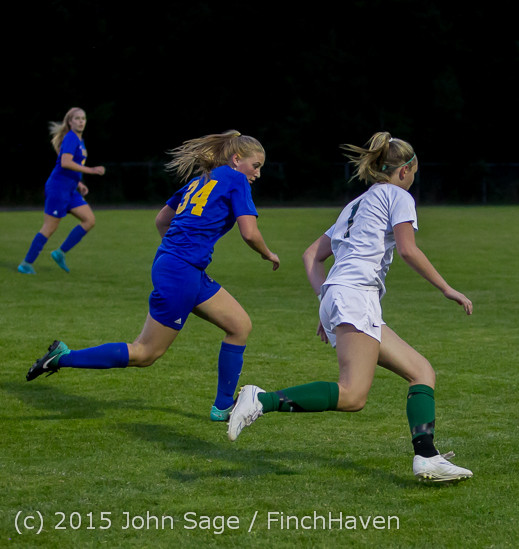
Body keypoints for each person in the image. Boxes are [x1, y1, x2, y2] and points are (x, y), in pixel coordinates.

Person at [226, 131, 474, 482]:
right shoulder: (398, 196)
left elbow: (311, 255)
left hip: (343, 296)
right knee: (353, 394)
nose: (413, 179)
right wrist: (447, 289)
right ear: (404, 171)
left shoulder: (358, 203)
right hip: (354, 296)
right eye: (414, 172)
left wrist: (324, 301)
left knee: (421, 371)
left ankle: (427, 457)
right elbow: (408, 249)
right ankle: (260, 400)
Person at [26, 130, 281, 422]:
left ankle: (222, 407)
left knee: (239, 325)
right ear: (237, 160)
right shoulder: (236, 179)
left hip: (181, 267)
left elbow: (162, 219)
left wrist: (175, 253)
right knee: (145, 353)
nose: (258, 173)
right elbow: (249, 233)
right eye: (256, 165)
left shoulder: (201, 180)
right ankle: (62, 357)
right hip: (181, 270)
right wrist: (267, 253)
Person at [18, 107, 106, 274]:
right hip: (58, 188)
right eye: (77, 118)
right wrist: (91, 170)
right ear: (70, 122)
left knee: (89, 220)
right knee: (49, 228)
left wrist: (79, 183)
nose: (81, 121)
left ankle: (59, 252)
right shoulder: (71, 138)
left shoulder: (80, 140)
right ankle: (26, 264)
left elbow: (73, 165)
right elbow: (65, 162)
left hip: (71, 189)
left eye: (83, 118)